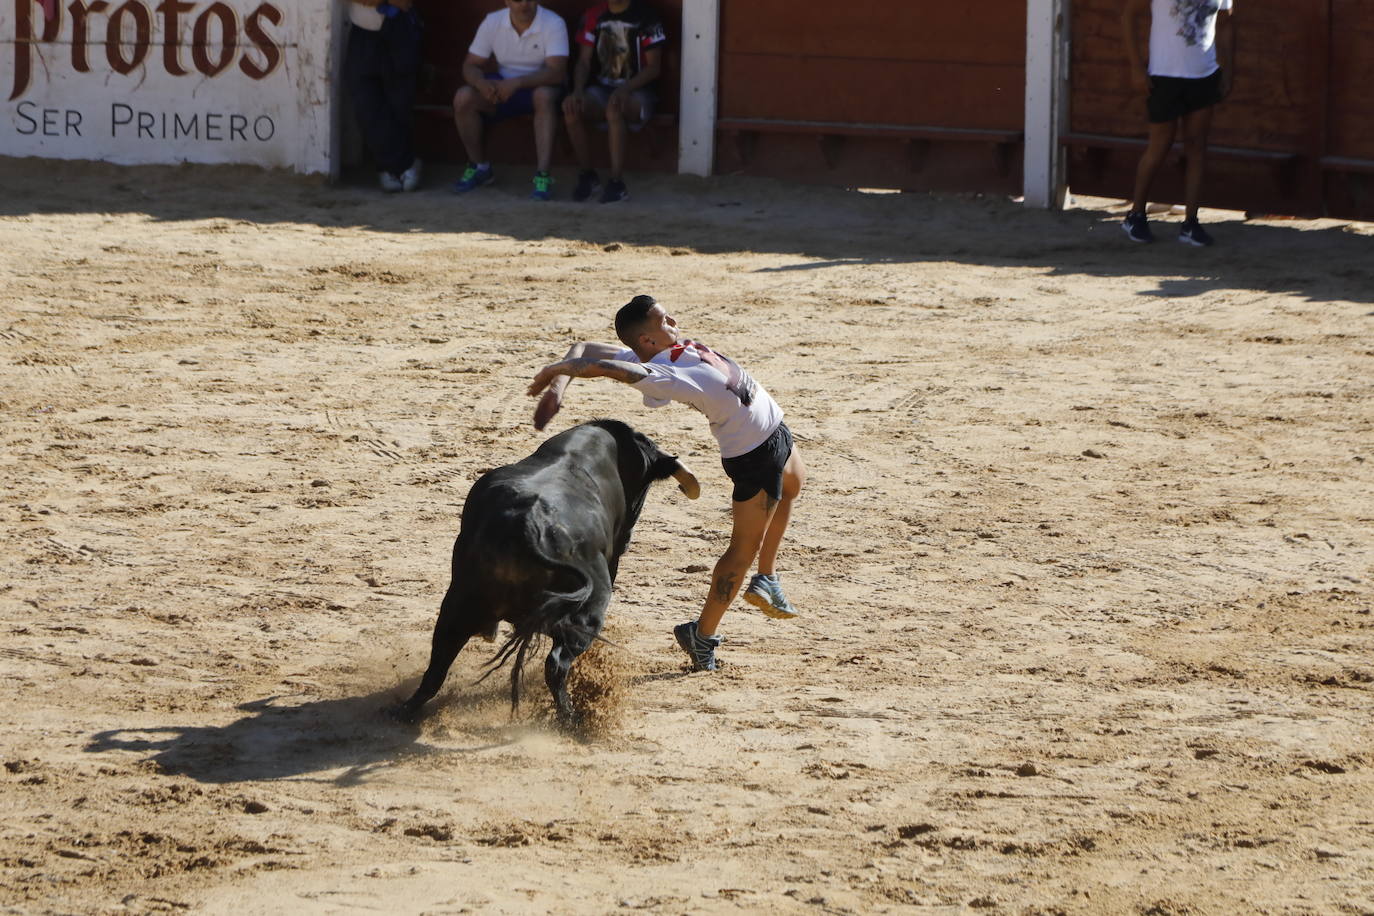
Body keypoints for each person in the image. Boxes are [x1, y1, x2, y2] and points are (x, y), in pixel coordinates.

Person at [527, 295, 806, 672]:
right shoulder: (661, 375)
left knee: (793, 483)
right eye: (663, 319)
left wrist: (558, 387)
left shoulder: (662, 351)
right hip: (754, 455)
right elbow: (601, 365)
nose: (673, 319)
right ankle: (701, 636)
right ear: (648, 341)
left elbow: (585, 347)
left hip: (773, 431)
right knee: (741, 551)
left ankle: (767, 576)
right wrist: (555, 371)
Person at [1120, 0, 1236, 246]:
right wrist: (1136, 67)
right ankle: (1136, 214)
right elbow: (1129, 14)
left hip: (1204, 74)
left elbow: (1225, 23)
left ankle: (1191, 222)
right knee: (1159, 146)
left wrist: (1227, 70)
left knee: (1197, 149)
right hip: (1164, 74)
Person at [450, 0, 569, 201]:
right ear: (506, 1)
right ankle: (479, 166)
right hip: (503, 87)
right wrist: (480, 84)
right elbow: (470, 65)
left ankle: (543, 176)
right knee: (463, 97)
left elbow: (557, 73)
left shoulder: (553, 22)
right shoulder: (493, 21)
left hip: (537, 87)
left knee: (543, 96)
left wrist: (517, 83)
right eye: (517, 0)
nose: (524, 4)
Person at [562, 0, 667, 203]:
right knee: (572, 108)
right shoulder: (593, 15)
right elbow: (583, 61)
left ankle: (616, 182)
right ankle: (588, 175)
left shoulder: (647, 17)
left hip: (639, 92)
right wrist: (576, 91)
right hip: (602, 89)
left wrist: (624, 89)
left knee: (614, 106)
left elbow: (654, 68)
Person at [344, 0, 423, 193]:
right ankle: (401, 164)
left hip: (400, 29)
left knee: (400, 101)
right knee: (365, 102)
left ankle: (396, 168)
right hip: (363, 32)